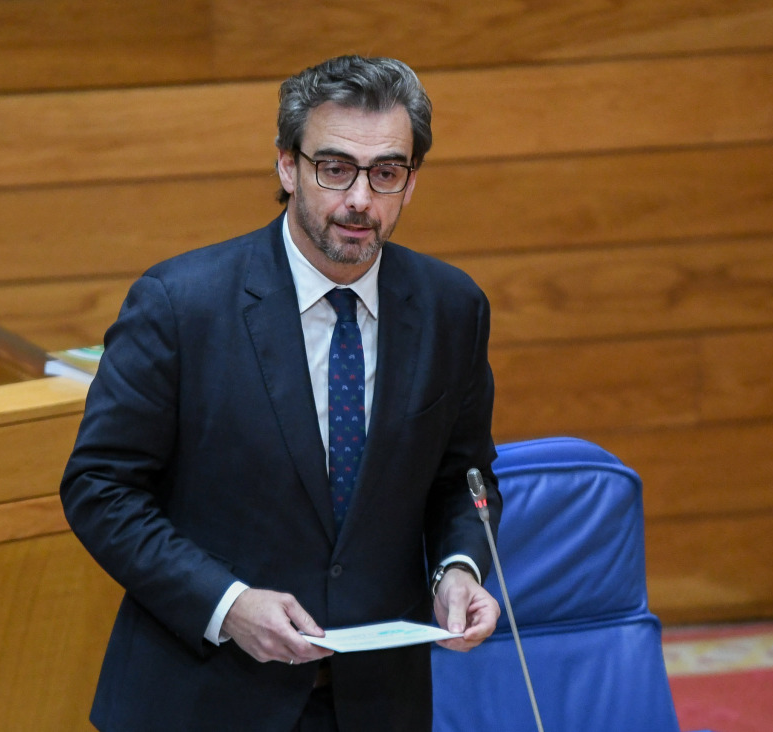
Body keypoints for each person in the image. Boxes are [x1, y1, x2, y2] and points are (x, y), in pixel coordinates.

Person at [61, 55, 503, 732]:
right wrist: (226, 603)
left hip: (376, 703)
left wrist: (458, 566)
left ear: (411, 182)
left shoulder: (451, 309)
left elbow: (463, 478)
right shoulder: (181, 306)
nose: (359, 199)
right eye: (334, 168)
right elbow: (100, 487)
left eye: (385, 172)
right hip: (205, 697)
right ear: (286, 166)